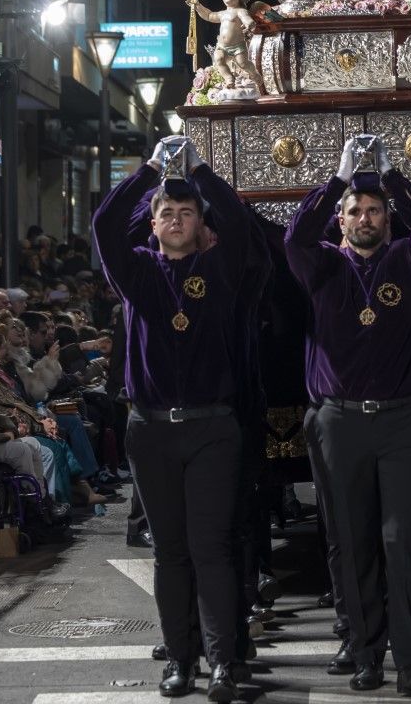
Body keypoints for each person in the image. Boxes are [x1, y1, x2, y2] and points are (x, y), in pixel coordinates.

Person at [92, 134, 252, 703]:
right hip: (152, 429)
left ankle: (223, 662)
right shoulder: (136, 274)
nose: (177, 219)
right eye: (168, 213)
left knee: (212, 549)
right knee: (171, 552)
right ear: (154, 224)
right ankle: (179, 660)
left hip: (212, 428)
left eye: (187, 212)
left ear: (198, 224)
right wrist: (150, 170)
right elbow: (106, 227)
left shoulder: (221, 266)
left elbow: (239, 223)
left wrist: (201, 172)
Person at [284, 135, 411, 694]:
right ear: (342, 219)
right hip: (340, 419)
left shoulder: (408, 259)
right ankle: (366, 650)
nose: (365, 217)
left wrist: (392, 176)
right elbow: (296, 234)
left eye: (374, 209)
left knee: (401, 538)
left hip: (402, 419)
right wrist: (336, 178)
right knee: (353, 541)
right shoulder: (322, 265)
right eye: (355, 210)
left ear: (386, 217)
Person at [186, 0, 266, 95]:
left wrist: (249, 23)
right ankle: (229, 78)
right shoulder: (222, 14)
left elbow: (247, 19)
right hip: (222, 46)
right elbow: (208, 15)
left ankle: (254, 74)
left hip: (238, 46)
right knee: (218, 59)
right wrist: (198, 6)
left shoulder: (240, 11)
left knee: (243, 63)